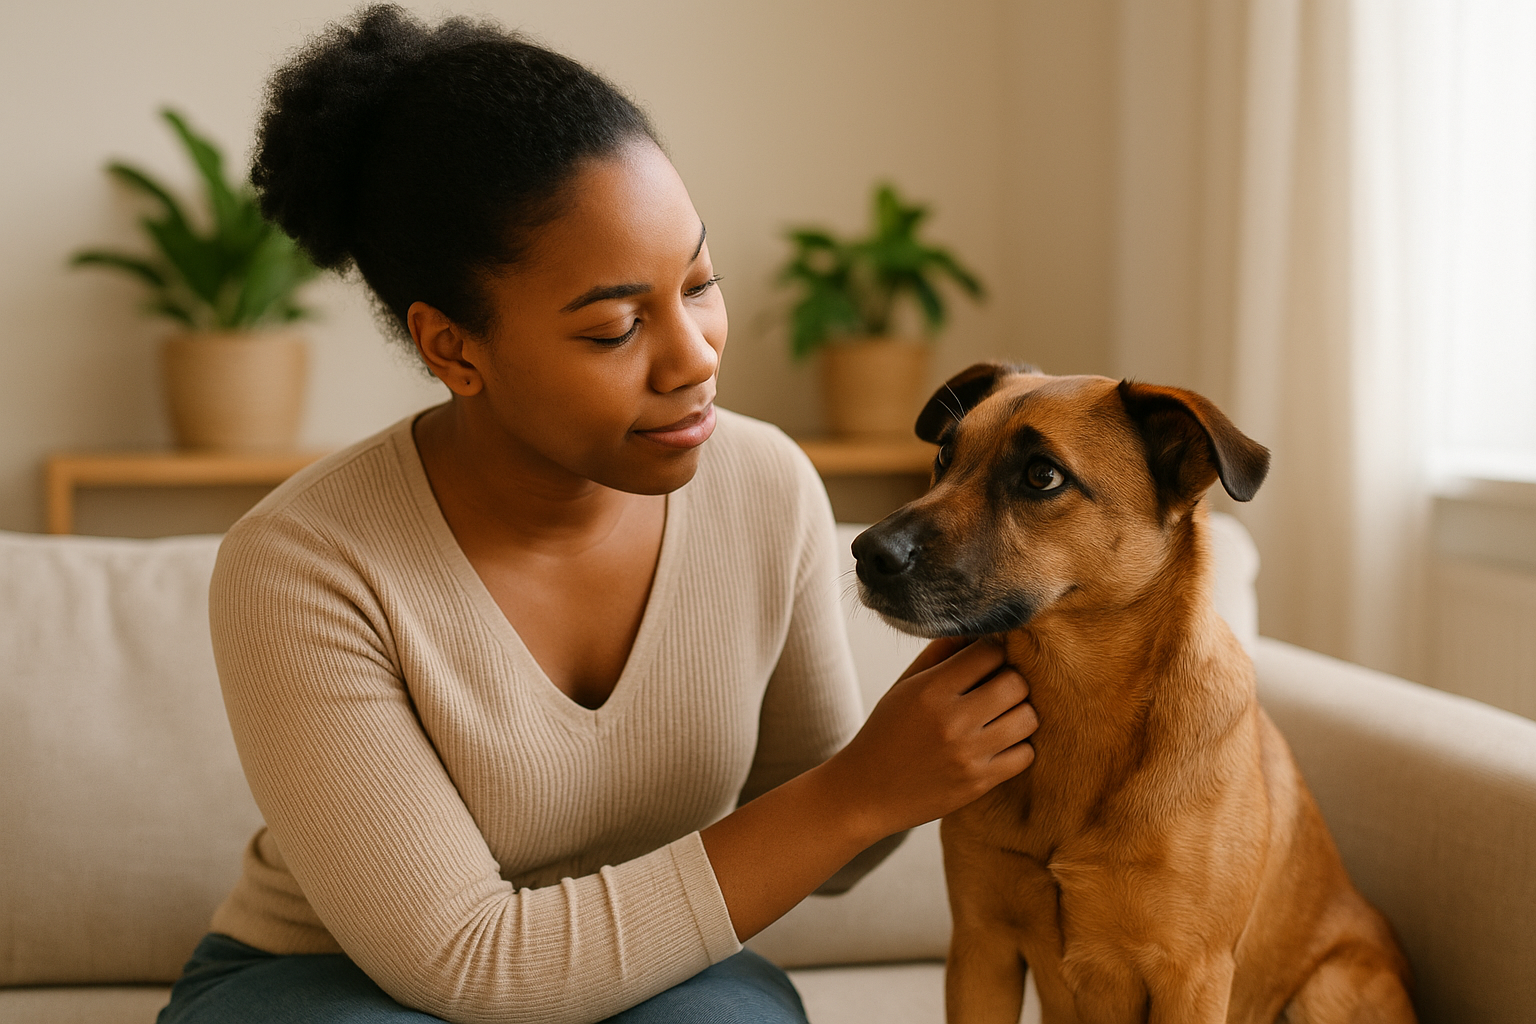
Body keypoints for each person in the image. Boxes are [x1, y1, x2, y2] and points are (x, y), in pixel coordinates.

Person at [156, 7, 1038, 1023]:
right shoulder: (299, 564)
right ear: (453, 349)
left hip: (648, 972)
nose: (697, 355)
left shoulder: (764, 486)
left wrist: (941, 725)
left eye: (699, 283)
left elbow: (827, 830)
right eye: (616, 327)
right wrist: (857, 792)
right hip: (332, 981)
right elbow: (469, 959)